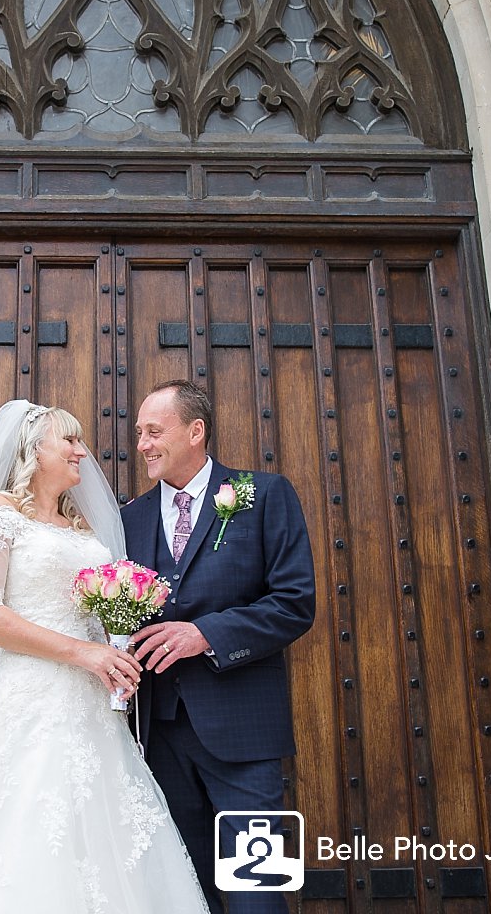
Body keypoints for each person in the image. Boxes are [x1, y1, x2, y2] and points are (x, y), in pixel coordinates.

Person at [0, 399, 210, 914]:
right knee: (28, 827)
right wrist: (83, 653)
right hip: (34, 697)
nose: (81, 453)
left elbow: (96, 617)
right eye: (69, 441)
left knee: (107, 832)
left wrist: (115, 656)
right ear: (34, 450)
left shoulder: (82, 529)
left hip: (92, 706)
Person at [123, 381, 316, 914]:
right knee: (183, 892)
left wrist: (206, 634)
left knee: (258, 890)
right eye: (139, 433)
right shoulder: (129, 519)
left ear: (196, 431)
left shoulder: (265, 494)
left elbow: (295, 602)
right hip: (156, 733)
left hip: (243, 731)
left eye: (154, 431)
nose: (142, 444)